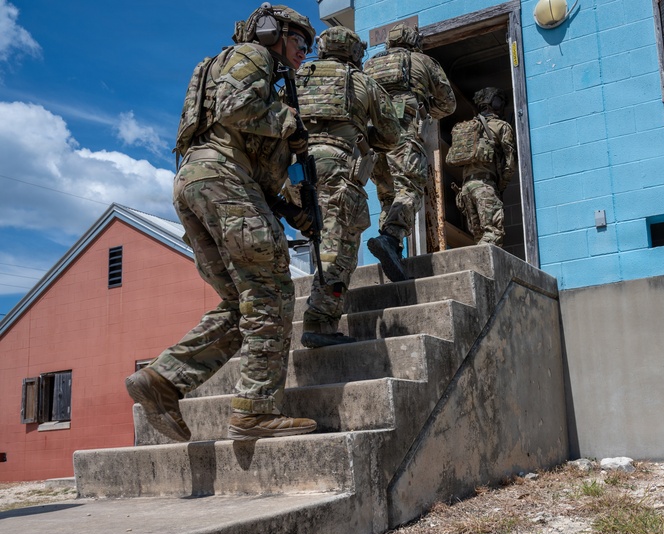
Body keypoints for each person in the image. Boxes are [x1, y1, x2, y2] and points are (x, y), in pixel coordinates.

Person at [125, 4, 320, 442]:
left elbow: (259, 164)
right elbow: (237, 110)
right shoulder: (253, 56)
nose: (303, 53)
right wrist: (293, 125)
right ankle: (254, 410)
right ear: (273, 32)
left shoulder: (238, 68)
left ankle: (162, 380)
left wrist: (293, 210)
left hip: (200, 182)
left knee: (241, 303)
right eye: (300, 43)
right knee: (269, 294)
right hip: (222, 179)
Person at [295, 27, 401, 349]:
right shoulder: (363, 82)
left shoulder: (298, 77)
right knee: (339, 247)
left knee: (318, 237)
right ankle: (320, 323)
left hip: (296, 169)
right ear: (356, 53)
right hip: (339, 167)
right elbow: (391, 134)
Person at [363, 22, 456, 282]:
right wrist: (425, 112)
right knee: (411, 188)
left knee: (387, 194)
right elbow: (448, 103)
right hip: (403, 134)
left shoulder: (369, 65)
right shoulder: (423, 61)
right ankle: (391, 238)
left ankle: (393, 251)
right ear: (413, 40)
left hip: (373, 137)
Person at [449, 87, 517, 247]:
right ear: (493, 102)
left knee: (480, 238)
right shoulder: (501, 126)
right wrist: (501, 186)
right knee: (493, 235)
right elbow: (510, 163)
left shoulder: (466, 127)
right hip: (486, 187)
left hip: (466, 189)